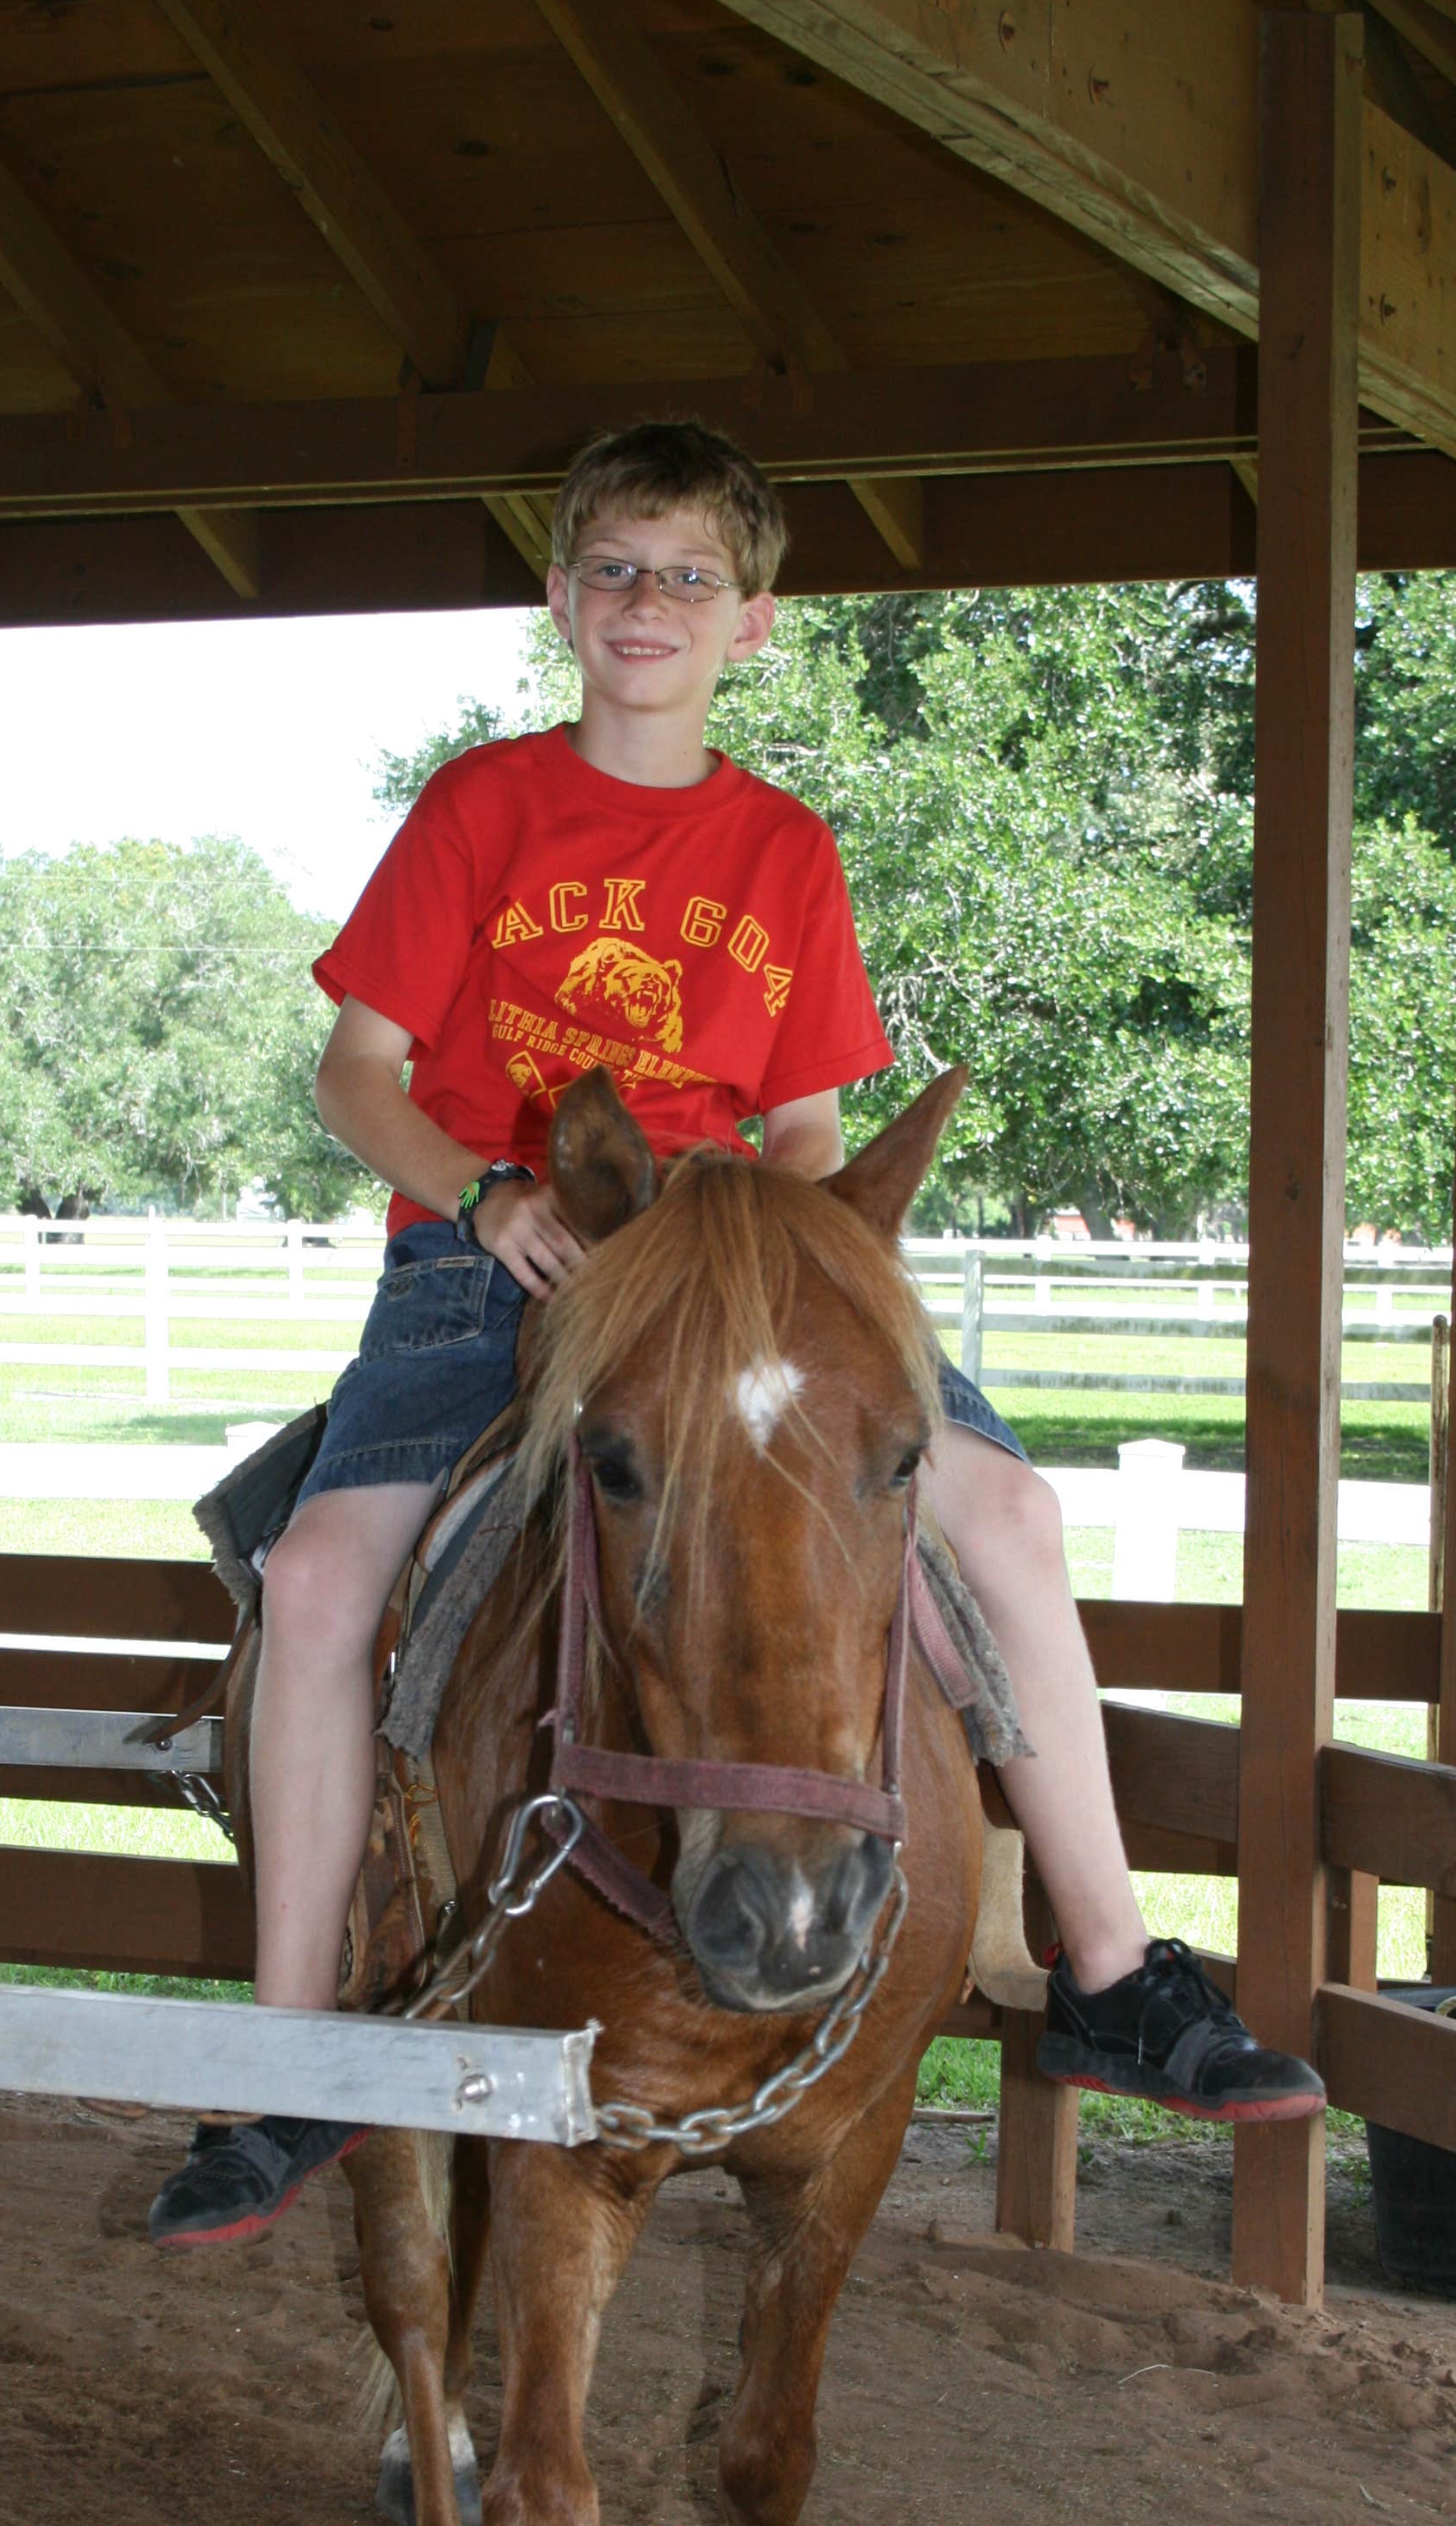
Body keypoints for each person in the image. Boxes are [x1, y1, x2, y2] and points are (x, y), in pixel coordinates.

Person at [150, 421, 1321, 2247]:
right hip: (506, 1266)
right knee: (316, 1581)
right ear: (561, 599)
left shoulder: (784, 849)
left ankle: (1105, 1959)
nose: (648, 603)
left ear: (750, 624)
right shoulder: (481, 808)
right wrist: (486, 1196)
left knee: (1008, 1521)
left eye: (688, 575)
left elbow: (803, 1138)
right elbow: (356, 1072)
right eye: (615, 567)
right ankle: (295, 2061)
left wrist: (794, 1245)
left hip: (744, 1270)